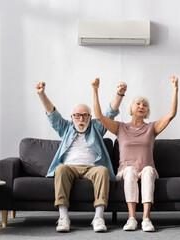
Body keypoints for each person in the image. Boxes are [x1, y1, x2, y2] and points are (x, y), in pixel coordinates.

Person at [35, 81, 127, 233]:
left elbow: (110, 112)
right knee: (61, 169)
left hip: (93, 168)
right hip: (70, 167)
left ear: (90, 117)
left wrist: (120, 93)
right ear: (72, 117)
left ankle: (98, 218)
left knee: (103, 171)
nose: (81, 119)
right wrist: (41, 94)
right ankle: (64, 218)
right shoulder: (65, 127)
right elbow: (52, 113)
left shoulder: (97, 127)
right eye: (77, 116)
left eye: (85, 116)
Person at [92, 76, 178, 232]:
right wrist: (95, 90)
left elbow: (171, 114)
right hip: (126, 171)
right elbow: (99, 116)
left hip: (148, 170)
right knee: (130, 170)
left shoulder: (152, 128)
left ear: (147, 111)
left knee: (148, 170)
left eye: (144, 105)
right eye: (137, 103)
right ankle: (131, 218)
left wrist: (175, 89)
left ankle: (146, 219)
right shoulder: (120, 127)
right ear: (131, 109)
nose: (141, 106)